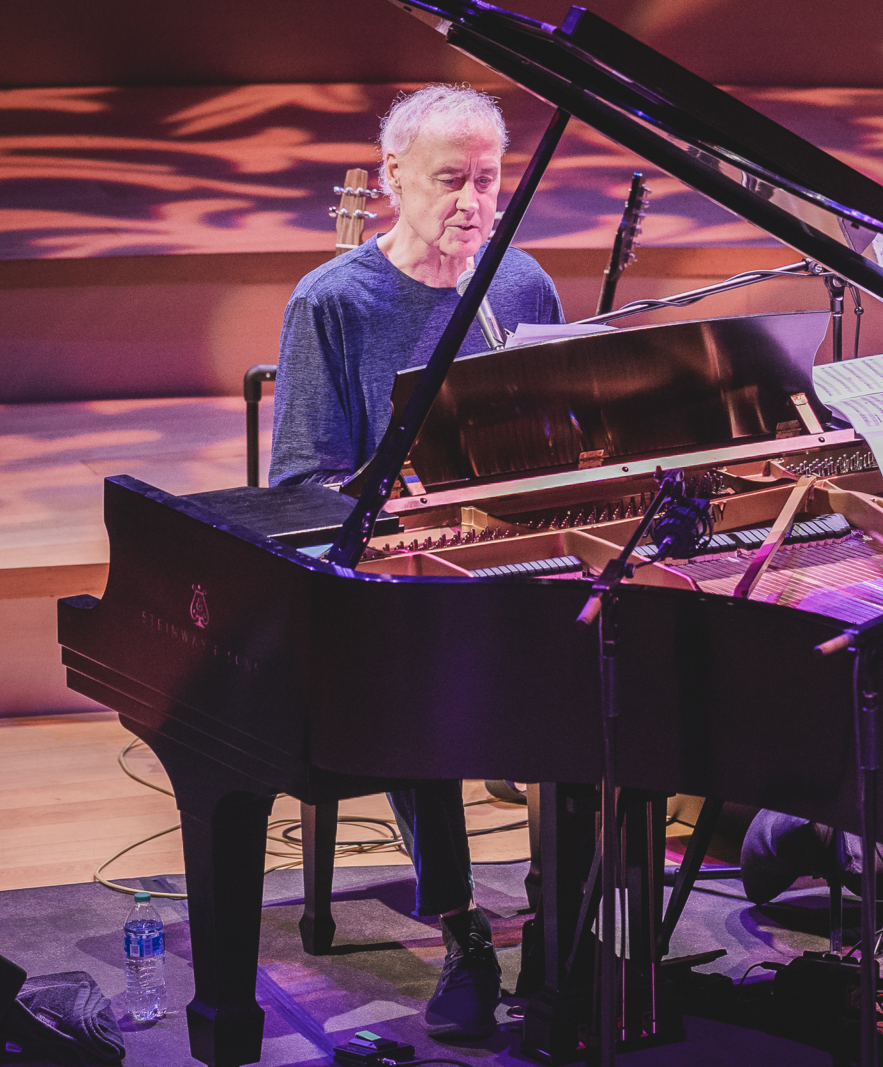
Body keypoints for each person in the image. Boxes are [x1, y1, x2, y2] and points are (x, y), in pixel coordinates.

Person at [270, 85, 565, 1039]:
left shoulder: (521, 284)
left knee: (618, 662)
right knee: (417, 679)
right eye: (451, 180)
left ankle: (567, 926)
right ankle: (464, 928)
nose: (473, 203)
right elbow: (301, 481)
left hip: (514, 555)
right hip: (399, 572)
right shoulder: (334, 300)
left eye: (488, 180)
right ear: (393, 175)